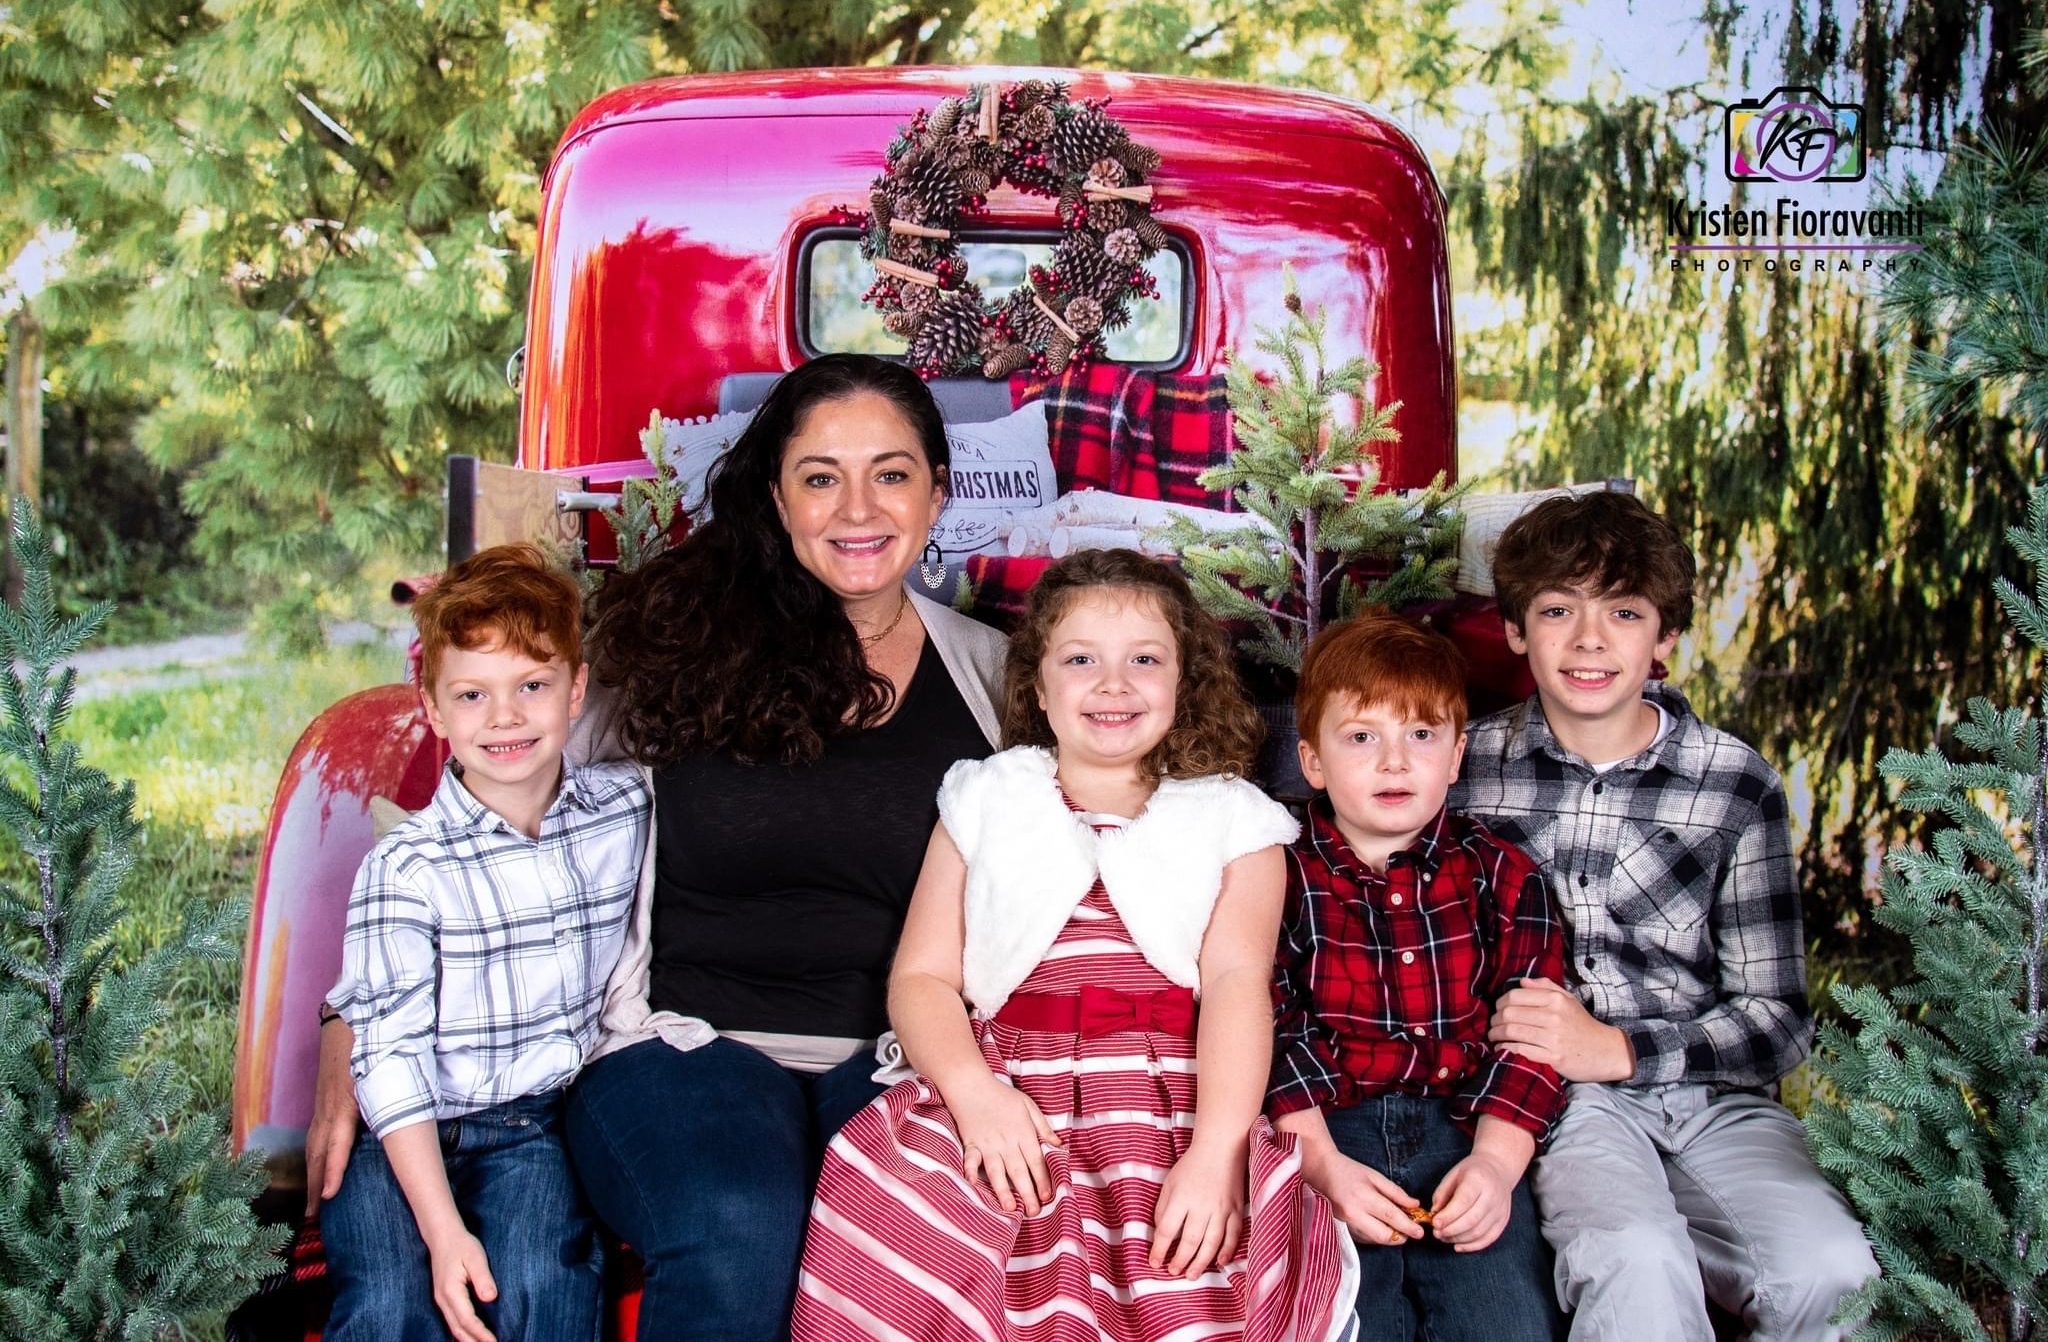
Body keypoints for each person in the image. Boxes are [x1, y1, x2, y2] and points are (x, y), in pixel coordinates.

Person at [306, 354, 1009, 1339]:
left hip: (901, 1055)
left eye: (890, 473)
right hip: (682, 1043)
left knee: (921, 1228)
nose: (857, 506)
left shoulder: (996, 680)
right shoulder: (679, 654)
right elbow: (496, 836)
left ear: (936, 492)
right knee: (734, 1222)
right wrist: (352, 1020)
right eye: (820, 476)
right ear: (776, 496)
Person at [793, 548, 1357, 1342]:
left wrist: (1216, 1149)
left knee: (1181, 1278)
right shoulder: (987, 797)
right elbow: (920, 977)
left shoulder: (1236, 820)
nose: (1114, 683)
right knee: (919, 1237)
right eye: (1082, 658)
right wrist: (973, 1094)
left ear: (1184, 678)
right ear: (1037, 682)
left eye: (1145, 659)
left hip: (1168, 1103)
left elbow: (1236, 984)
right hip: (1008, 1089)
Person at [1451, 491, 1878, 1341]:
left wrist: (1618, 1047)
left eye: (1625, 612)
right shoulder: (1467, 770)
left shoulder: (1732, 782)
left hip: (1712, 1098)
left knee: (1833, 1271)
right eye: (1557, 610)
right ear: (1514, 630)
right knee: (1638, 1258)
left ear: (1665, 638)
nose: (1588, 640)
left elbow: (1779, 1020)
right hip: (1558, 1097)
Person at [320, 543, 651, 1342]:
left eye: (531, 686)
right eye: (472, 695)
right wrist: (442, 1231)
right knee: (391, 1302)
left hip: (527, 1126)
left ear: (576, 691)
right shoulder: (406, 865)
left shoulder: (626, 808)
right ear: (433, 709)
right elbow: (389, 1058)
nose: (504, 718)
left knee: (546, 1285)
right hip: (396, 1129)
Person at [1267, 613, 1567, 1342]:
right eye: (1362, 736)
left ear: (1457, 755)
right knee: (1347, 1324)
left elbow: (1531, 1037)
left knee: (1509, 1325)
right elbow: (1268, 1024)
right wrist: (1322, 1169)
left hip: (1464, 1131)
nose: (1394, 762)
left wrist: (1497, 1166)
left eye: (1421, 735)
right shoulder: (1278, 872)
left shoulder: (1503, 874)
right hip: (1327, 1133)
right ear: (1313, 760)